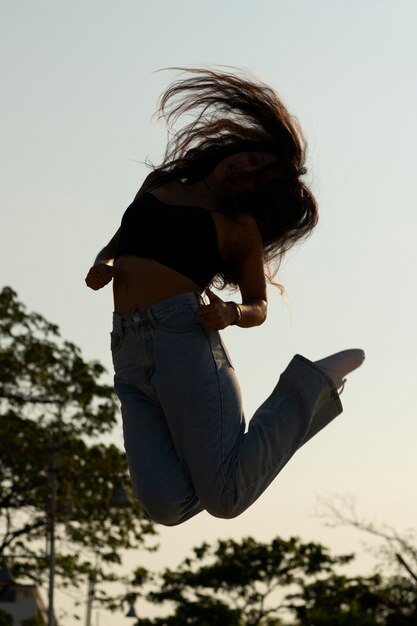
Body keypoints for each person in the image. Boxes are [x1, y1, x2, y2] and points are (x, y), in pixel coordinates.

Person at [85, 68, 364, 526]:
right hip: (128, 350)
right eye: (251, 159)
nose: (246, 170)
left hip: (186, 345)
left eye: (257, 177)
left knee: (227, 498)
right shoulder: (160, 183)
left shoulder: (238, 228)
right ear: (236, 149)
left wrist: (231, 312)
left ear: (255, 195)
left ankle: (313, 384)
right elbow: (121, 239)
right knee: (164, 504)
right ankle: (221, 463)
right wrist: (107, 262)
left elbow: (259, 305)